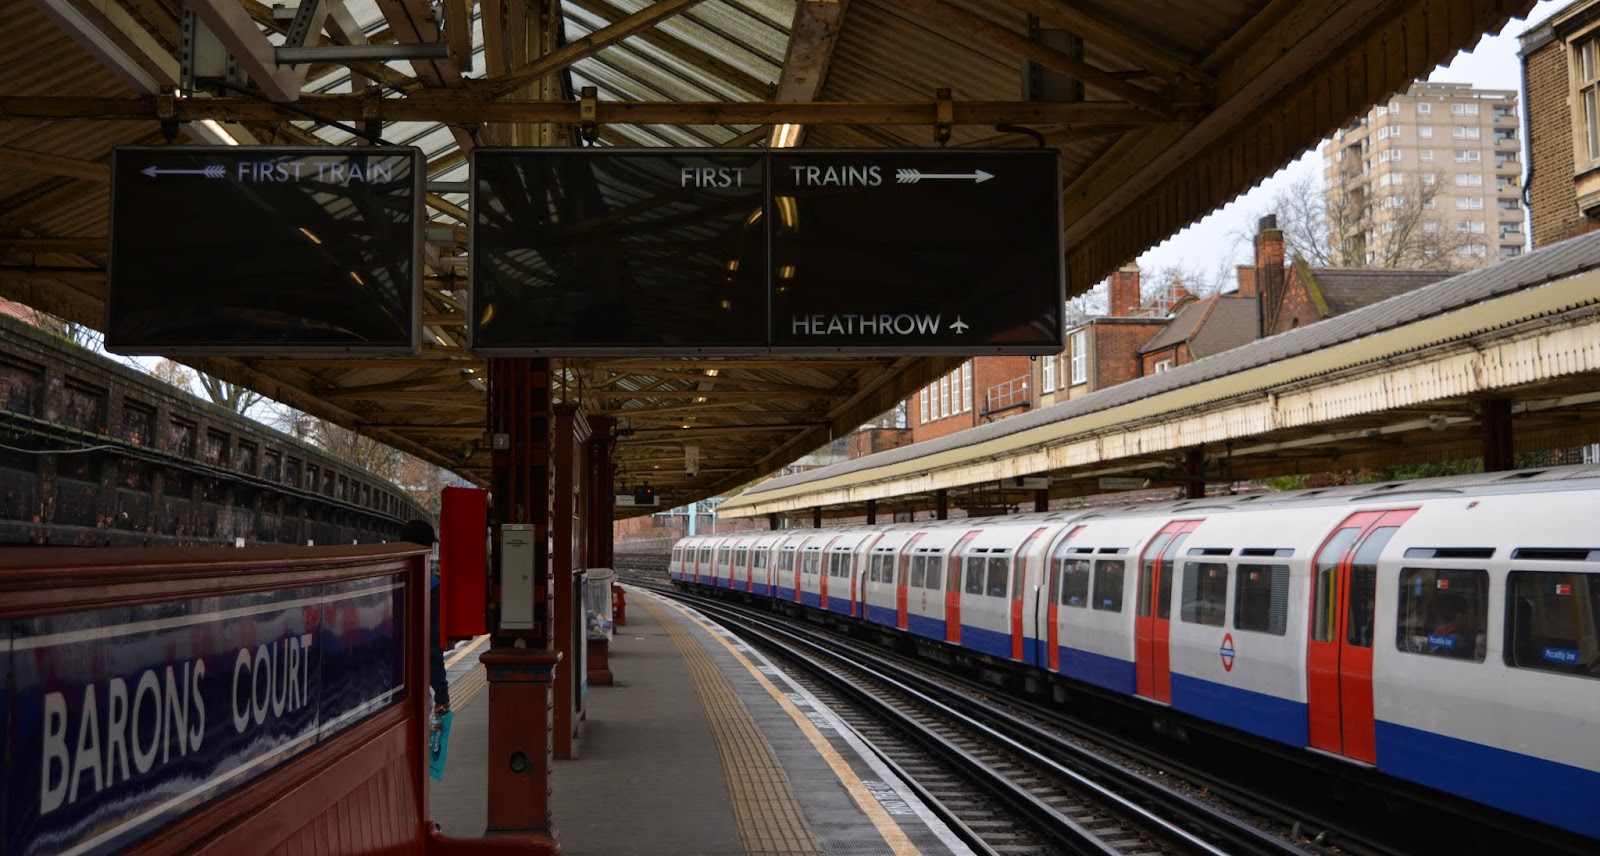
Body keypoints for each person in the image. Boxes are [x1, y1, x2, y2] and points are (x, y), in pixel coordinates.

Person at [401, 519, 450, 714]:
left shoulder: (389, 579)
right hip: (414, 679)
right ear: (428, 548)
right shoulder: (432, 587)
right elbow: (431, 648)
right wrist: (442, 694)